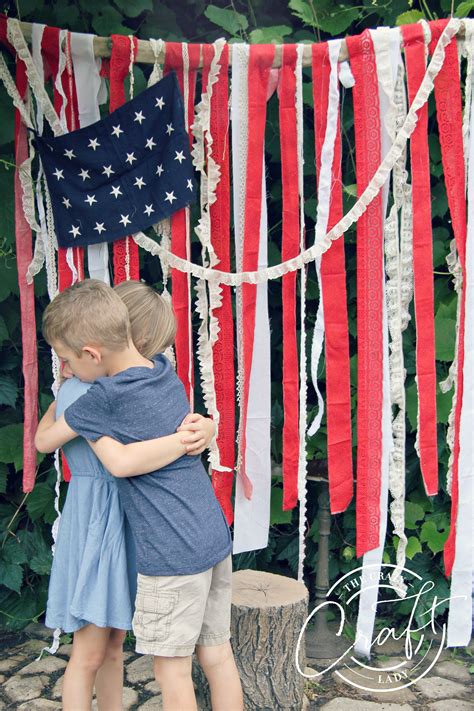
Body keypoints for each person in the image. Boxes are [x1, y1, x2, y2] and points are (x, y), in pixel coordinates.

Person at [36, 279, 243, 711]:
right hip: (210, 534)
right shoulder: (164, 374)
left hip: (167, 548)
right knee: (217, 652)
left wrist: (201, 433)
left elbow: (121, 463)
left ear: (92, 351)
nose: (65, 367)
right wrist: (198, 434)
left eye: (67, 358)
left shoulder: (102, 397)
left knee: (172, 670)